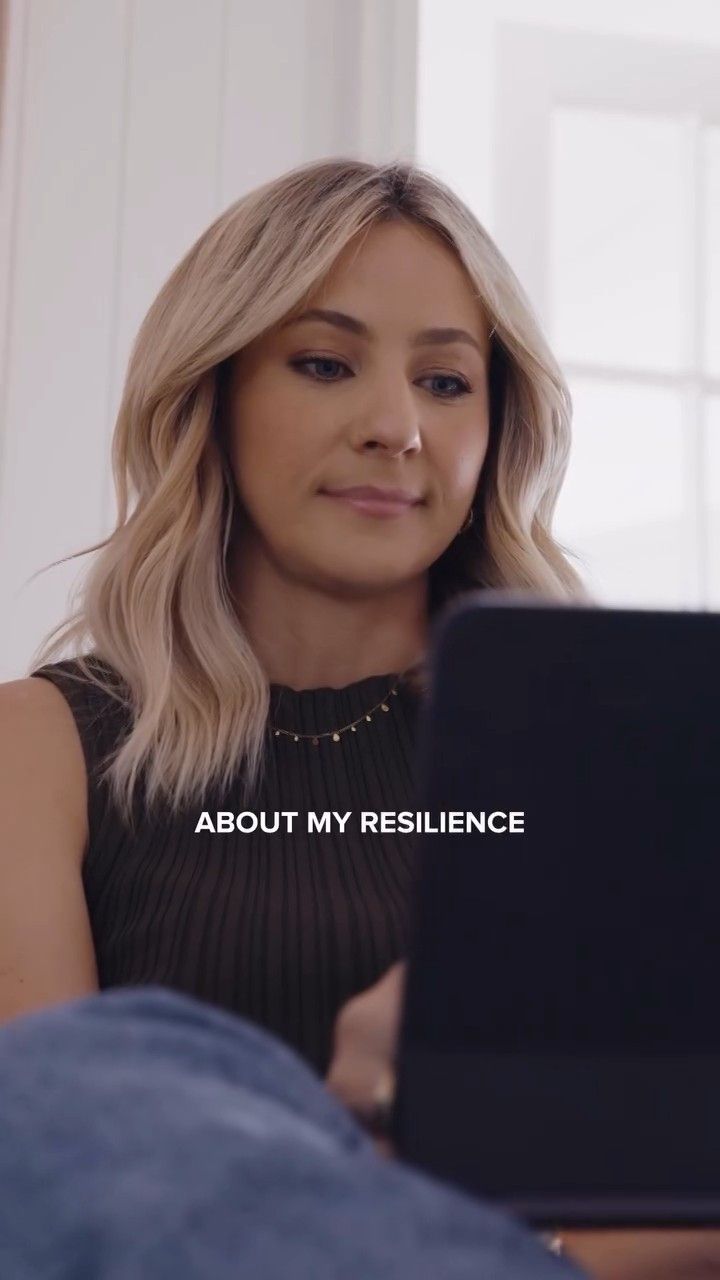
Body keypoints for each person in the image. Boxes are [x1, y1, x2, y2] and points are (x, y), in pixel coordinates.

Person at [1, 156, 608, 1274]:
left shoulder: (590, 761)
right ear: (213, 395)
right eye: (326, 364)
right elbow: (41, 1167)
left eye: (446, 381)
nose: (396, 426)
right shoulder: (36, 750)